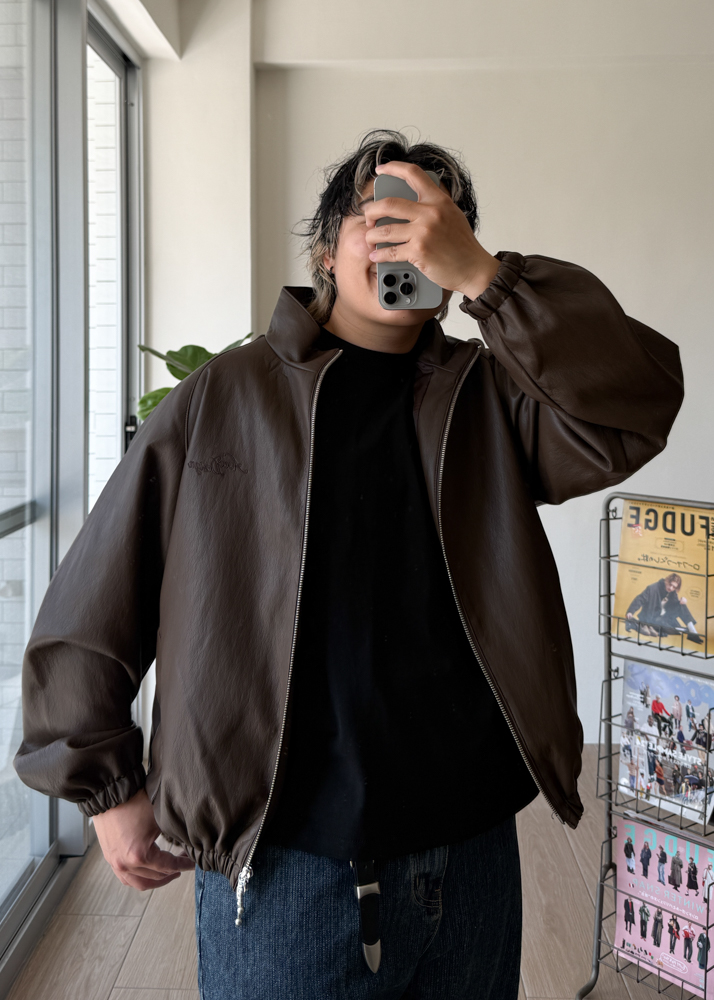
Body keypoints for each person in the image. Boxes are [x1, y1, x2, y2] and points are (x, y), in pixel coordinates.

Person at [12, 130, 685, 1000]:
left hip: (471, 849)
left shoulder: (489, 398)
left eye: (433, 221)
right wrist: (107, 789)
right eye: (382, 216)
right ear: (326, 250)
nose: (406, 238)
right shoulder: (225, 396)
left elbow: (636, 405)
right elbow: (97, 593)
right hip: (288, 866)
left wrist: (491, 280)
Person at [625, 573, 702, 644]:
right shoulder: (653, 588)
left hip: (664, 617)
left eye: (674, 587)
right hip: (652, 618)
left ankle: (693, 632)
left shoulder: (672, 592)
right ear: (666, 581)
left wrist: (682, 601)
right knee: (673, 629)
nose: (671, 588)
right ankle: (684, 630)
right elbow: (640, 599)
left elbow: (674, 606)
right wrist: (630, 611)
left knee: (681, 605)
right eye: (670, 585)